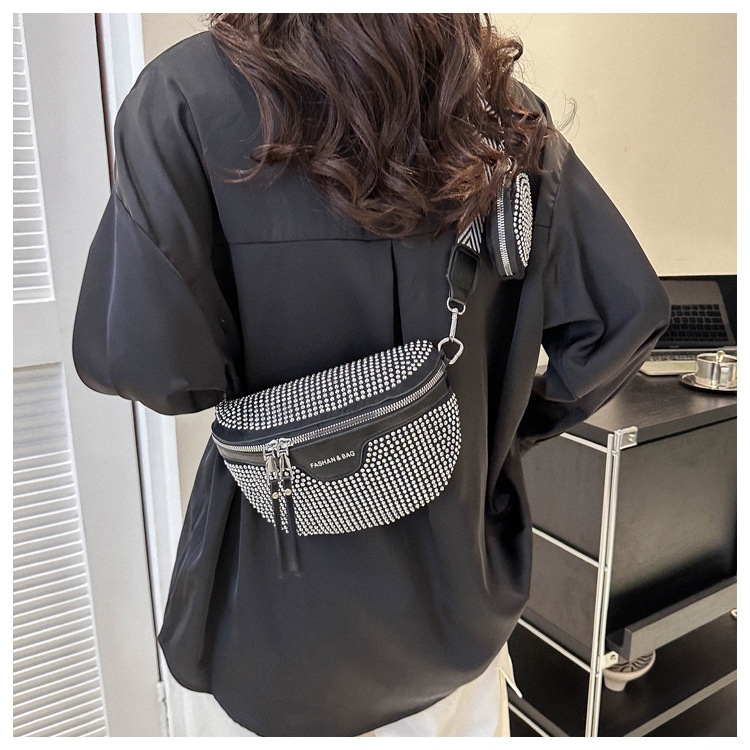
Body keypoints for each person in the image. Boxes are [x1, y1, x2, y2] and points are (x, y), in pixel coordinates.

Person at [72, 14, 671, 737]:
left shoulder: (182, 94)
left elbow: (152, 369)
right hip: (457, 607)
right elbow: (623, 320)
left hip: (270, 620)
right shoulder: (504, 116)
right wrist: (495, 432)